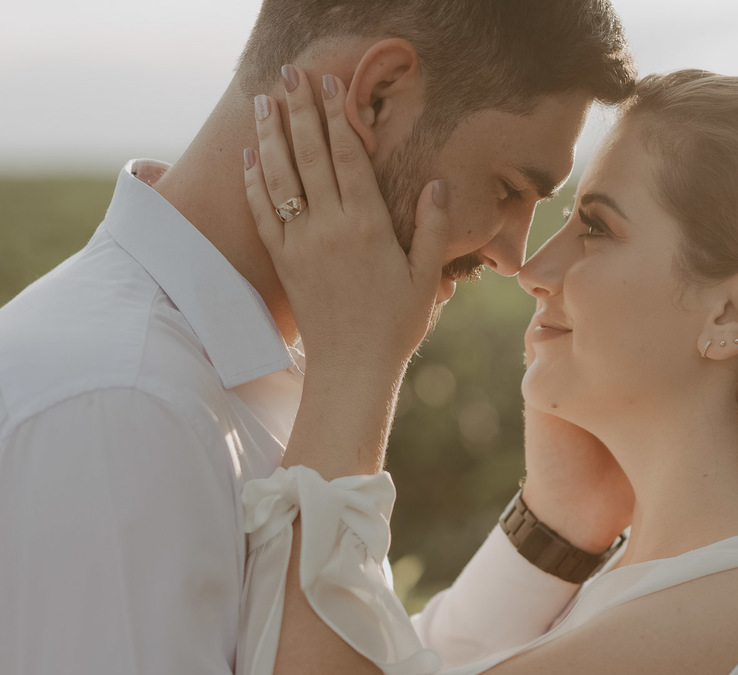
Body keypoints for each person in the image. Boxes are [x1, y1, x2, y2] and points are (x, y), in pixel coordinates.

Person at [239, 69, 738, 674]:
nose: (536, 267)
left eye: (596, 227)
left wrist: (353, 368)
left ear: (736, 311)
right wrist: (550, 529)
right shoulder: (668, 588)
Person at [0, 2, 637, 673]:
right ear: (377, 95)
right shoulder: (121, 410)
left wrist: (555, 526)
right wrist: (360, 375)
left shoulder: (247, 372)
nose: (513, 255)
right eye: (509, 188)